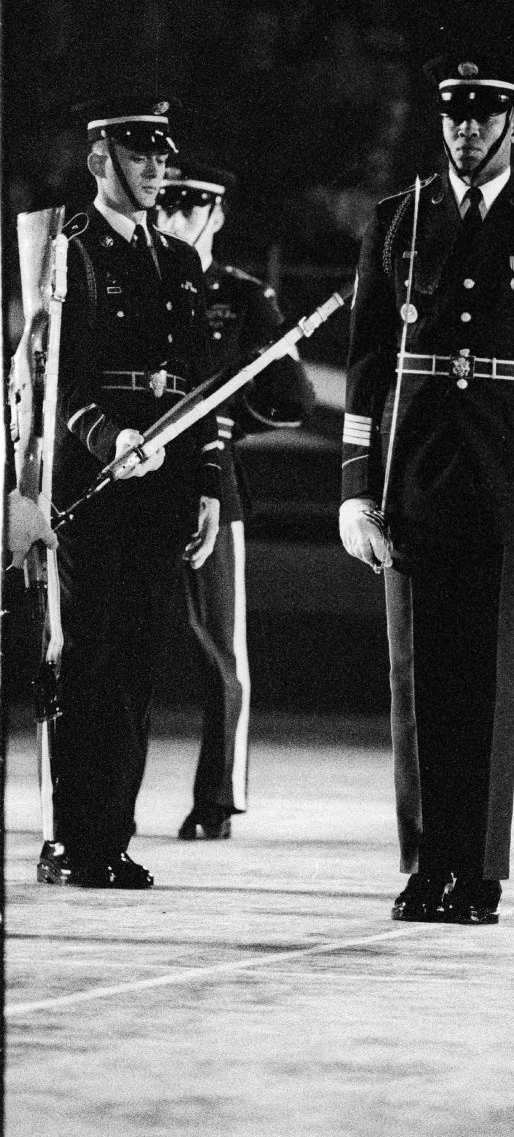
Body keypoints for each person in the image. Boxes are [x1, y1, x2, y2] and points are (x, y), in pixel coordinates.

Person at [339, 51, 514, 925]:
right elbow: (370, 359)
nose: (468, 131)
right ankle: (424, 863)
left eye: (485, 117)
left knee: (487, 679)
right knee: (415, 675)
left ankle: (476, 870)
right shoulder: (399, 219)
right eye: (455, 116)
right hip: (414, 473)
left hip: (504, 476)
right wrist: (351, 487)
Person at [38, 90, 222, 889]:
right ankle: (76, 840)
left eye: (160, 156)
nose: (155, 170)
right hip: (94, 481)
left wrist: (207, 485)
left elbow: (203, 387)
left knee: (138, 665)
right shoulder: (68, 252)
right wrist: (110, 437)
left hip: (163, 488)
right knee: (89, 660)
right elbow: (58, 379)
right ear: (99, 159)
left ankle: (113, 836)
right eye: (139, 154)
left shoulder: (178, 261)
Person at [157, 158, 314, 840]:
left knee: (222, 651)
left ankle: (218, 798)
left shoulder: (244, 296)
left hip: (216, 484)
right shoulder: (145, 284)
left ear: (215, 217)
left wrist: (224, 423)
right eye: (167, 207)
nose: (174, 219)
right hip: (139, 478)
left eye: (189, 209)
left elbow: (294, 396)